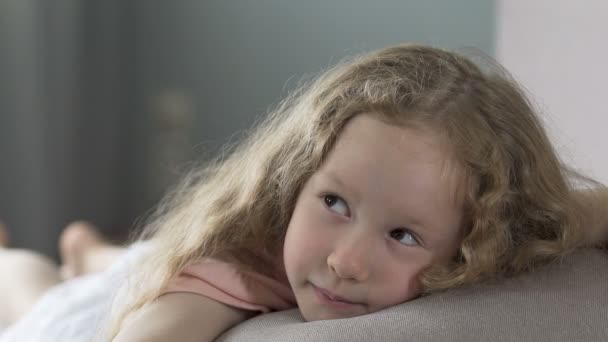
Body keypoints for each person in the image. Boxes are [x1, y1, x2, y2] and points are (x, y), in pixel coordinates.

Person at [1, 44, 607, 341]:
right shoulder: (236, 264)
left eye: (402, 235)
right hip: (112, 307)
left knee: (115, 262)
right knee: (38, 297)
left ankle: (92, 253)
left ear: (476, 242)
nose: (344, 260)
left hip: (151, 260)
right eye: (334, 203)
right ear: (298, 178)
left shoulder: (511, 227)